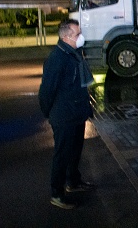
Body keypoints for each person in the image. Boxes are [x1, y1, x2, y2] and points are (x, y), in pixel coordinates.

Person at [38, 19, 95, 209]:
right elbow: (47, 90)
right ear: (66, 37)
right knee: (62, 155)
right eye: (77, 34)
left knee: (75, 151)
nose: (81, 37)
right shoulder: (58, 58)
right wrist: (49, 112)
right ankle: (57, 193)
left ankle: (73, 182)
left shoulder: (74, 54)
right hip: (64, 116)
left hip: (77, 113)